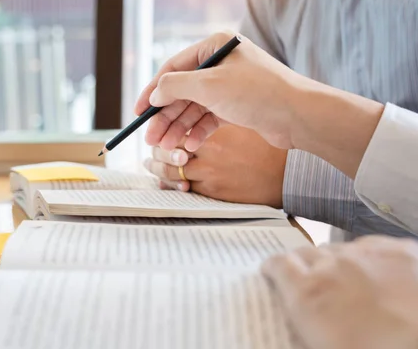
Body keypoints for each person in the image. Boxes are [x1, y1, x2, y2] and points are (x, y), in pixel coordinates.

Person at [136, 31, 418, 349]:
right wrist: (196, 156)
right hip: (320, 298)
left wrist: (291, 169)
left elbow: (266, 124)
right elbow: (233, 112)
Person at [140, 0, 418, 240]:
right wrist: (195, 156)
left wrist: (292, 174)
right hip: (332, 277)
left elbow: (258, 157)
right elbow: (239, 134)